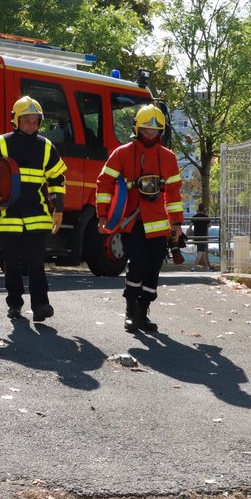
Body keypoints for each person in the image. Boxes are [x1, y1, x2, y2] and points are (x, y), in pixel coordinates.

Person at [0, 95, 66, 322]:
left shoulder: (46, 147)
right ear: (16, 120)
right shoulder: (0, 144)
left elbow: (57, 179)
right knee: (11, 264)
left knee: (36, 263)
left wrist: (59, 209)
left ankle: (41, 305)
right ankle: (14, 304)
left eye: (35, 121)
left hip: (37, 215)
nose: (31, 125)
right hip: (7, 215)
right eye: (26, 120)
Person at [95, 104, 183, 332]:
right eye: (146, 130)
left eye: (155, 130)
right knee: (137, 264)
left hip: (158, 224)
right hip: (131, 221)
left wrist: (177, 223)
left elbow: (173, 194)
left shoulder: (168, 158)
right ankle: (131, 310)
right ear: (137, 129)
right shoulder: (122, 153)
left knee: (153, 269)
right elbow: (104, 183)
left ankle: (143, 311)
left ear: (161, 131)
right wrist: (103, 214)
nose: (150, 134)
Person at [191, 205, 211, 270]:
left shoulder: (194, 217)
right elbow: (209, 225)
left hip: (196, 236)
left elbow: (191, 225)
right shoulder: (205, 217)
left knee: (203, 252)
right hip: (203, 236)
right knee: (200, 252)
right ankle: (194, 267)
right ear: (204, 209)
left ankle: (207, 268)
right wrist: (207, 216)